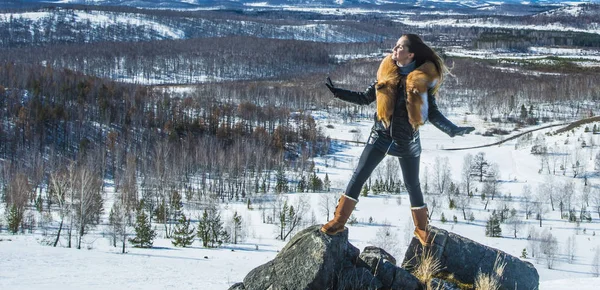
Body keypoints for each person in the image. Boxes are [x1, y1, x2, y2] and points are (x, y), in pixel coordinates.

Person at [320, 34, 475, 246]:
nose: (394, 49)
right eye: (395, 46)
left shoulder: (422, 81)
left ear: (410, 54)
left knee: (413, 185)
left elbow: (432, 113)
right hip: (380, 136)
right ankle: (339, 221)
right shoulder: (386, 72)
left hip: (407, 141)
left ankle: (422, 229)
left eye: (400, 47)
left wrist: (452, 129)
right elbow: (365, 98)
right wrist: (338, 93)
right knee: (359, 175)